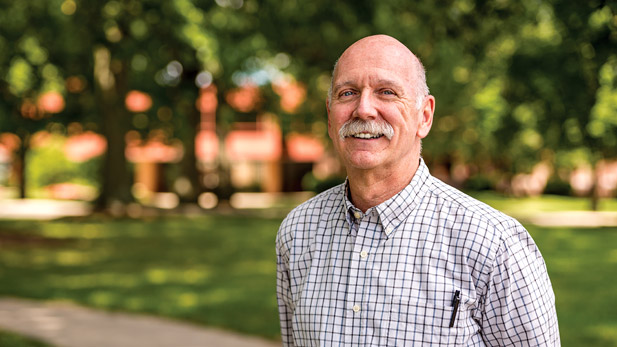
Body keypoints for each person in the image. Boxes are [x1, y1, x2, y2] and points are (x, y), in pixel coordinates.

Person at [276, 35, 560, 346]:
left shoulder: (494, 245)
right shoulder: (297, 232)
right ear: (330, 117)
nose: (364, 109)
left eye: (387, 92)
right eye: (348, 93)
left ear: (424, 116)